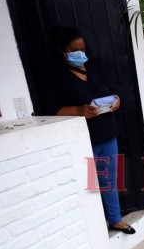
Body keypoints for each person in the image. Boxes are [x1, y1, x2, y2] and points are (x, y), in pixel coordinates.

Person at [45, 26, 135, 235]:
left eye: (82, 49)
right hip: (83, 139)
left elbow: (114, 91)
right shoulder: (57, 78)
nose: (80, 54)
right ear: (62, 50)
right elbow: (50, 110)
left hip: (107, 133)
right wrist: (77, 110)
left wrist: (116, 101)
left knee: (109, 181)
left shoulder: (94, 70)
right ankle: (90, 227)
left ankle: (115, 219)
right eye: (74, 49)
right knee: (86, 183)